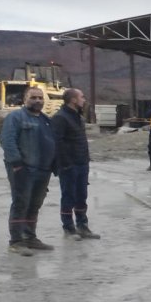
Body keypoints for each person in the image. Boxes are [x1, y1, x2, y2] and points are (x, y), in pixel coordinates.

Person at [0, 86, 56, 255]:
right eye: (33, 97)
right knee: (21, 203)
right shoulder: (16, 117)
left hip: (43, 170)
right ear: (25, 100)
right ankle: (16, 241)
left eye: (40, 97)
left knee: (34, 205)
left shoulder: (46, 120)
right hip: (23, 169)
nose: (38, 100)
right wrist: (16, 164)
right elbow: (8, 140)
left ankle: (30, 237)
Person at [51, 88, 100, 241]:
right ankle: (69, 228)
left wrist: (85, 160)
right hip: (69, 165)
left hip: (81, 163)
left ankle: (82, 226)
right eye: (82, 97)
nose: (84, 100)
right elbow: (56, 142)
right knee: (68, 196)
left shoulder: (78, 117)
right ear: (73, 100)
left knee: (81, 196)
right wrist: (65, 163)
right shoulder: (61, 117)